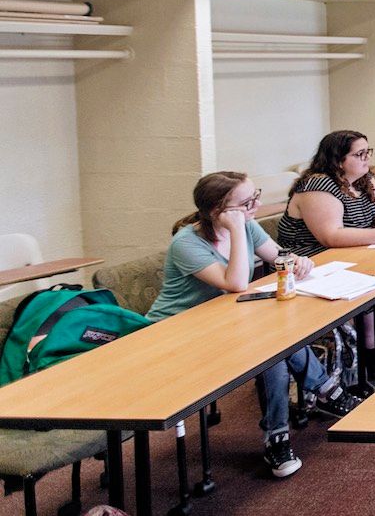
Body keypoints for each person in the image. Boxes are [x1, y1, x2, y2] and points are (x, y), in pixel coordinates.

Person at [149, 172, 362, 478]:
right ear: (217, 211)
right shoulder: (187, 243)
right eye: (247, 202)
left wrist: (298, 262)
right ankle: (321, 397)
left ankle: (280, 435)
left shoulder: (246, 225)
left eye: (255, 196)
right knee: (269, 348)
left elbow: (279, 257)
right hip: (178, 333)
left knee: (274, 344)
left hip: (223, 321)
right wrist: (236, 229)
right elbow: (235, 283)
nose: (257, 205)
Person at [277, 130, 375, 256]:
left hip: (353, 250)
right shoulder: (317, 186)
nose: (367, 157)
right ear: (338, 161)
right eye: (360, 154)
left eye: (368, 152)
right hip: (312, 260)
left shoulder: (364, 178)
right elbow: (331, 236)